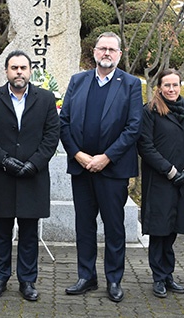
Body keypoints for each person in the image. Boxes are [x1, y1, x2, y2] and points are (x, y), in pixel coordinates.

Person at [60, 31, 143, 303]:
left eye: (111, 49)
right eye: (101, 48)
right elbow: (64, 122)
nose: (106, 53)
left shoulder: (130, 84)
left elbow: (133, 127)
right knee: (84, 226)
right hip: (82, 167)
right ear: (94, 52)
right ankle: (86, 276)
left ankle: (114, 279)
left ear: (119, 54)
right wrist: (78, 155)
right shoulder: (78, 81)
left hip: (113, 169)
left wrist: (106, 156)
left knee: (114, 227)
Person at [0, 50, 60, 301]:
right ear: (6, 71)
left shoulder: (45, 99)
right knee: (0, 230)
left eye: (23, 68)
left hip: (32, 176)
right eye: (14, 68)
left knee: (29, 232)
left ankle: (27, 280)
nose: (19, 72)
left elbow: (51, 136)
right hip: (0, 175)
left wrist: (34, 164)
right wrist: (4, 160)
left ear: (30, 71)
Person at [137, 69, 184, 298]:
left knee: (172, 230)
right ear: (159, 88)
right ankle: (158, 277)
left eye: (175, 85)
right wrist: (171, 171)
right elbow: (145, 146)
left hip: (181, 181)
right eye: (167, 85)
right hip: (160, 181)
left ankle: (168, 274)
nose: (171, 89)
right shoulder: (150, 111)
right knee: (159, 231)